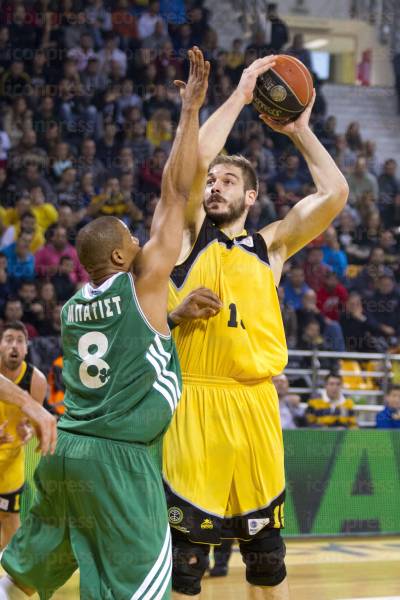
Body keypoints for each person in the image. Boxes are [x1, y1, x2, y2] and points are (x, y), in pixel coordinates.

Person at [0, 46, 209, 600]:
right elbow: (177, 192)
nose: (139, 240)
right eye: (129, 238)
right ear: (119, 260)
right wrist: (189, 112)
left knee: (34, 563)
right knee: (139, 586)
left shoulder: (72, 307)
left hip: (66, 452)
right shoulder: (141, 283)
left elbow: (130, 343)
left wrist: (175, 316)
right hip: (120, 458)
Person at [163, 55, 349, 599]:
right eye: (211, 181)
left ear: (250, 197)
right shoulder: (188, 236)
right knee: (186, 560)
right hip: (196, 402)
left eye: (228, 181)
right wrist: (242, 95)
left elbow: (334, 194)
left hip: (257, 407)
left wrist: (300, 130)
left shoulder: (272, 246)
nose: (214, 186)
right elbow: (189, 165)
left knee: (267, 560)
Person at [0, 321, 47, 548]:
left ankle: (5, 577)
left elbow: (35, 425)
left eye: (20, 340)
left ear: (27, 348)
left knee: (9, 519)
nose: (14, 346)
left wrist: (28, 430)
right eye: (8, 339)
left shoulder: (36, 381)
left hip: (11, 461)